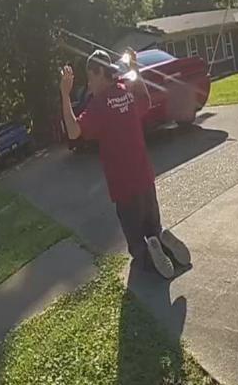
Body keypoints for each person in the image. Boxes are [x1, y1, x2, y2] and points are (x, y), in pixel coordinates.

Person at [60, 49, 189, 278]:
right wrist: (135, 69)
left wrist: (64, 94)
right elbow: (146, 102)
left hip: (124, 185)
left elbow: (73, 131)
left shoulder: (99, 105)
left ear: (99, 73)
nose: (89, 84)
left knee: (137, 246)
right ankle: (161, 239)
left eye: (90, 77)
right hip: (145, 175)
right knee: (152, 228)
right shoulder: (125, 92)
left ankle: (148, 258)